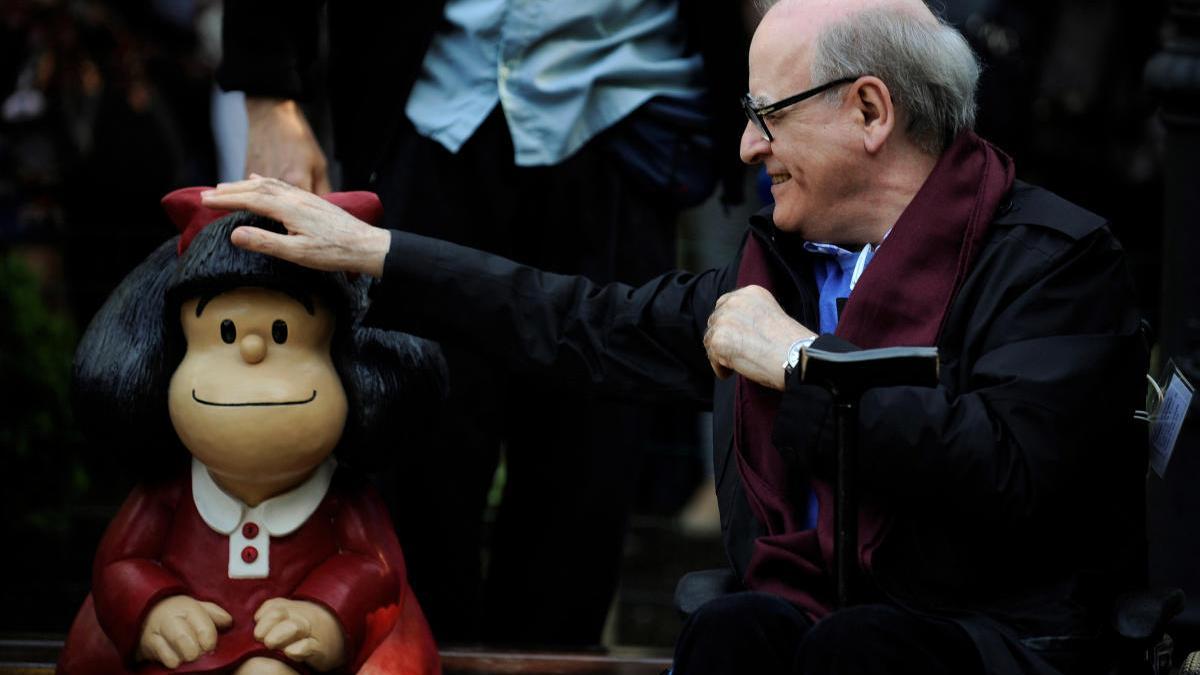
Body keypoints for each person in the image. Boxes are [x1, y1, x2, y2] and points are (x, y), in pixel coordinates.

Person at [202, 0, 1147, 672]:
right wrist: (377, 252)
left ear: (869, 111)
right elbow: (569, 319)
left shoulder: (1057, 257)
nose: (745, 149)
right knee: (736, 629)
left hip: (988, 637)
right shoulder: (780, 268)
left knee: (854, 645)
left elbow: (1007, 469)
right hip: (814, 627)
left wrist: (799, 364)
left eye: (766, 116)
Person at [214, 0, 747, 645]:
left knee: (587, 479)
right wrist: (270, 95)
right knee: (412, 458)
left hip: (625, 117)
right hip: (425, 111)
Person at [58, 190, 444, 675]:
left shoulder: (342, 499)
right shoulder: (170, 494)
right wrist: (153, 607)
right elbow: (120, 564)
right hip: (190, 653)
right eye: (224, 334)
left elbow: (375, 569)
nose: (254, 351)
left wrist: (326, 612)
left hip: (295, 654)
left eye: (282, 333)